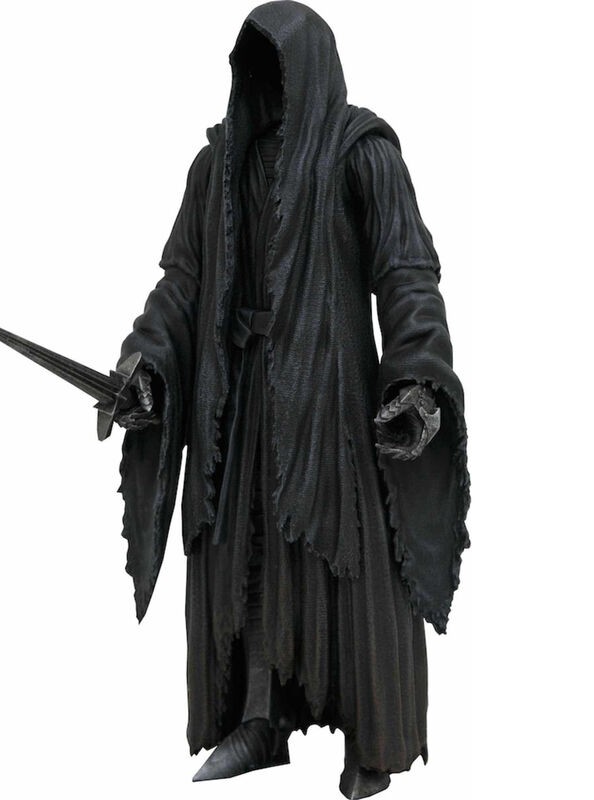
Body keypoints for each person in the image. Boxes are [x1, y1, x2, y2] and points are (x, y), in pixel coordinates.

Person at [114, 3, 470, 797]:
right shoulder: (217, 168)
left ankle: (372, 741)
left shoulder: (360, 151)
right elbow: (181, 286)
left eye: (279, 65)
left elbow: (407, 273)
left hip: (333, 403)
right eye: (255, 67)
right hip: (238, 401)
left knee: (352, 564)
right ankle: (258, 718)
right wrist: (147, 365)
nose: (268, 83)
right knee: (245, 555)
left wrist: (416, 376)